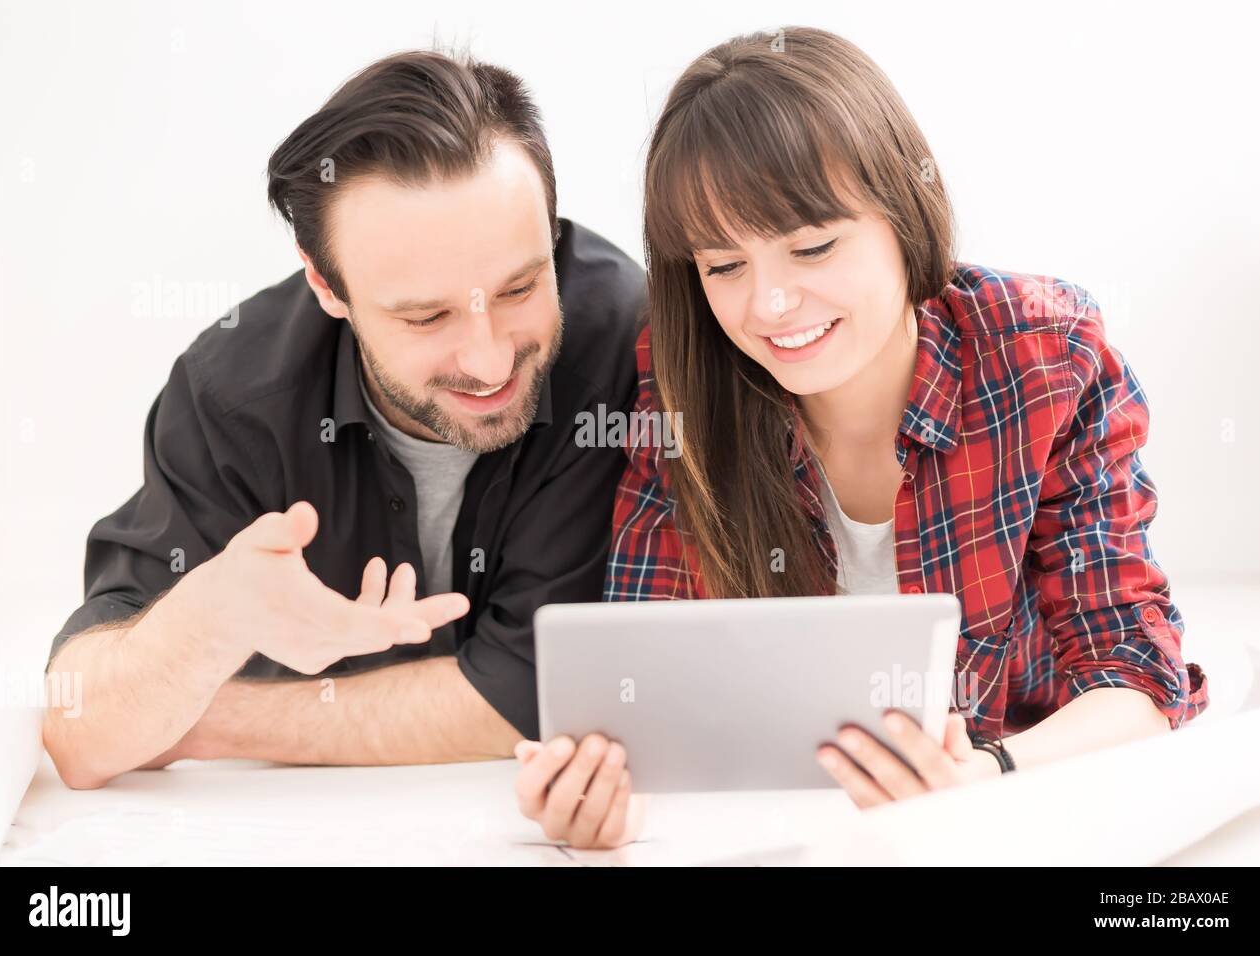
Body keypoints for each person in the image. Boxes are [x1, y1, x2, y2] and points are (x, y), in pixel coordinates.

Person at [514, 26, 1209, 849]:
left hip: (1027, 828)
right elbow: (640, 673)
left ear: (902, 215)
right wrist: (595, 792)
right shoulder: (682, 382)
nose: (770, 304)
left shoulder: (1046, 357)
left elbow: (1136, 676)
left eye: (812, 247)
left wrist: (983, 776)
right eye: (724, 266)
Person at [43, 50, 644, 789]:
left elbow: (530, 694)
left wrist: (208, 719)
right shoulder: (233, 393)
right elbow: (80, 730)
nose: (490, 364)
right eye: (427, 317)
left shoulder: (627, 349)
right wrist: (211, 619)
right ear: (327, 285)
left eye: (519, 288)